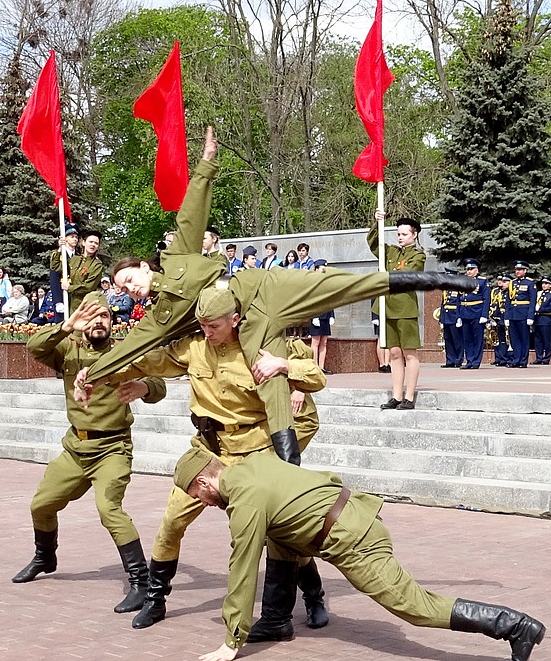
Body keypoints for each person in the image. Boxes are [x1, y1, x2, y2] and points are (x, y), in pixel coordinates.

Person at [89, 130, 473, 465]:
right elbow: (133, 346)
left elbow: (190, 217)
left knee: (340, 285)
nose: (129, 288)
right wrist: (92, 374)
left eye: (128, 278)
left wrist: (206, 165)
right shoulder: (160, 317)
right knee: (267, 373)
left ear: (142, 265)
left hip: (263, 287)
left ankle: (436, 279)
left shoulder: (177, 257)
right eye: (122, 288)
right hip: (248, 322)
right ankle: (290, 463)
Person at [79, 287, 330, 635]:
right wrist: (98, 374)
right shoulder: (194, 346)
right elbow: (146, 360)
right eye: (202, 325)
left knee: (278, 532)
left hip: (254, 453)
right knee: (172, 521)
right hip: (209, 450)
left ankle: (312, 597)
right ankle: (156, 598)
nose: (207, 333)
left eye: (213, 326)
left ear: (235, 320)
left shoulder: (259, 347)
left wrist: (284, 367)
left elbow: (316, 376)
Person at [171, 447, 547, 661]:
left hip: (355, 539)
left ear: (204, 481)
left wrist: (231, 639)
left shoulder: (245, 500)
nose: (201, 503)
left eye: (196, 495)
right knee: (279, 537)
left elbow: (241, 567)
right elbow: (313, 487)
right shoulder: (255, 463)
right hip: (347, 516)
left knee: (416, 607)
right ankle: (276, 621)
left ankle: (514, 626)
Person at [13, 297, 167, 616]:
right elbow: (34, 346)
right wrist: (67, 326)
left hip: (112, 448)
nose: (99, 322)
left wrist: (143, 387)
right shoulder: (69, 349)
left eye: (105, 316)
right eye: (92, 316)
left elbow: (158, 384)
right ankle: (45, 557)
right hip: (75, 449)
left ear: (113, 322)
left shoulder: (125, 352)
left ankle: (141, 583)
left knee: (109, 509)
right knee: (41, 505)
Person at [368, 211, 426, 409]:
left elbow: (408, 274)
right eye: (398, 234)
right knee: (393, 353)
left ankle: (409, 396)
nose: (400, 238)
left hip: (404, 308)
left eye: (404, 234)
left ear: (414, 234)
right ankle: (397, 395)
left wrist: (384, 276)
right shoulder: (391, 252)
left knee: (409, 353)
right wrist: (377, 223)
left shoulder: (418, 255)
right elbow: (374, 244)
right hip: (387, 306)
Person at [456, 258, 490, 370]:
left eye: (471, 269)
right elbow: (458, 299)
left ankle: (476, 361)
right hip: (465, 313)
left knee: (477, 339)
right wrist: (458, 316)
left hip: (477, 312)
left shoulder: (482, 281)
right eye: (467, 269)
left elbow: (486, 299)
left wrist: (484, 315)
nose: (469, 271)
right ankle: (469, 360)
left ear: (477, 270)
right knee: (467, 339)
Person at [504, 261, 536, 368]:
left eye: (520, 270)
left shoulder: (530, 283)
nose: (517, 272)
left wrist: (530, 316)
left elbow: (532, 301)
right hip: (513, 313)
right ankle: (516, 359)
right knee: (514, 338)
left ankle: (523, 360)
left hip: (524, 313)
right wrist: (506, 316)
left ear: (525, 271)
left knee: (524, 338)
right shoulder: (512, 283)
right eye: (516, 270)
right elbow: (508, 301)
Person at [308, 260, 334, 374]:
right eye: (322, 268)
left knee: (324, 342)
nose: (324, 270)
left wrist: (332, 315)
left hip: (326, 316)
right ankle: (315, 367)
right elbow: (312, 301)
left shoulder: (327, 282)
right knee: (315, 343)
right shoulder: (313, 283)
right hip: (316, 317)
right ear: (316, 269)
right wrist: (314, 316)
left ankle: (321, 367)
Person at [533, 277, 551, 365]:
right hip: (537, 319)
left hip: (545, 318)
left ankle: (546, 358)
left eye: (546, 284)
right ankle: (538, 358)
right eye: (543, 283)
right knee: (537, 339)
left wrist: (540, 309)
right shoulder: (538, 293)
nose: (544, 285)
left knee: (546, 339)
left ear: (550, 285)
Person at [439, 279, 462, 368]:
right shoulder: (446, 290)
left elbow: (459, 304)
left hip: (454, 317)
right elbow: (443, 304)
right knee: (448, 340)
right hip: (446, 317)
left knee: (457, 340)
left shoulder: (458, 289)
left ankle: (458, 360)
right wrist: (441, 318)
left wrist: (458, 317)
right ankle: (450, 360)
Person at [490, 274, 510, 366]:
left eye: (502, 280)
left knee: (507, 339)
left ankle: (507, 358)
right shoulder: (496, 291)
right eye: (499, 280)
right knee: (497, 339)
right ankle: (500, 357)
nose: (500, 282)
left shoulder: (509, 292)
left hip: (506, 316)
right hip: (497, 316)